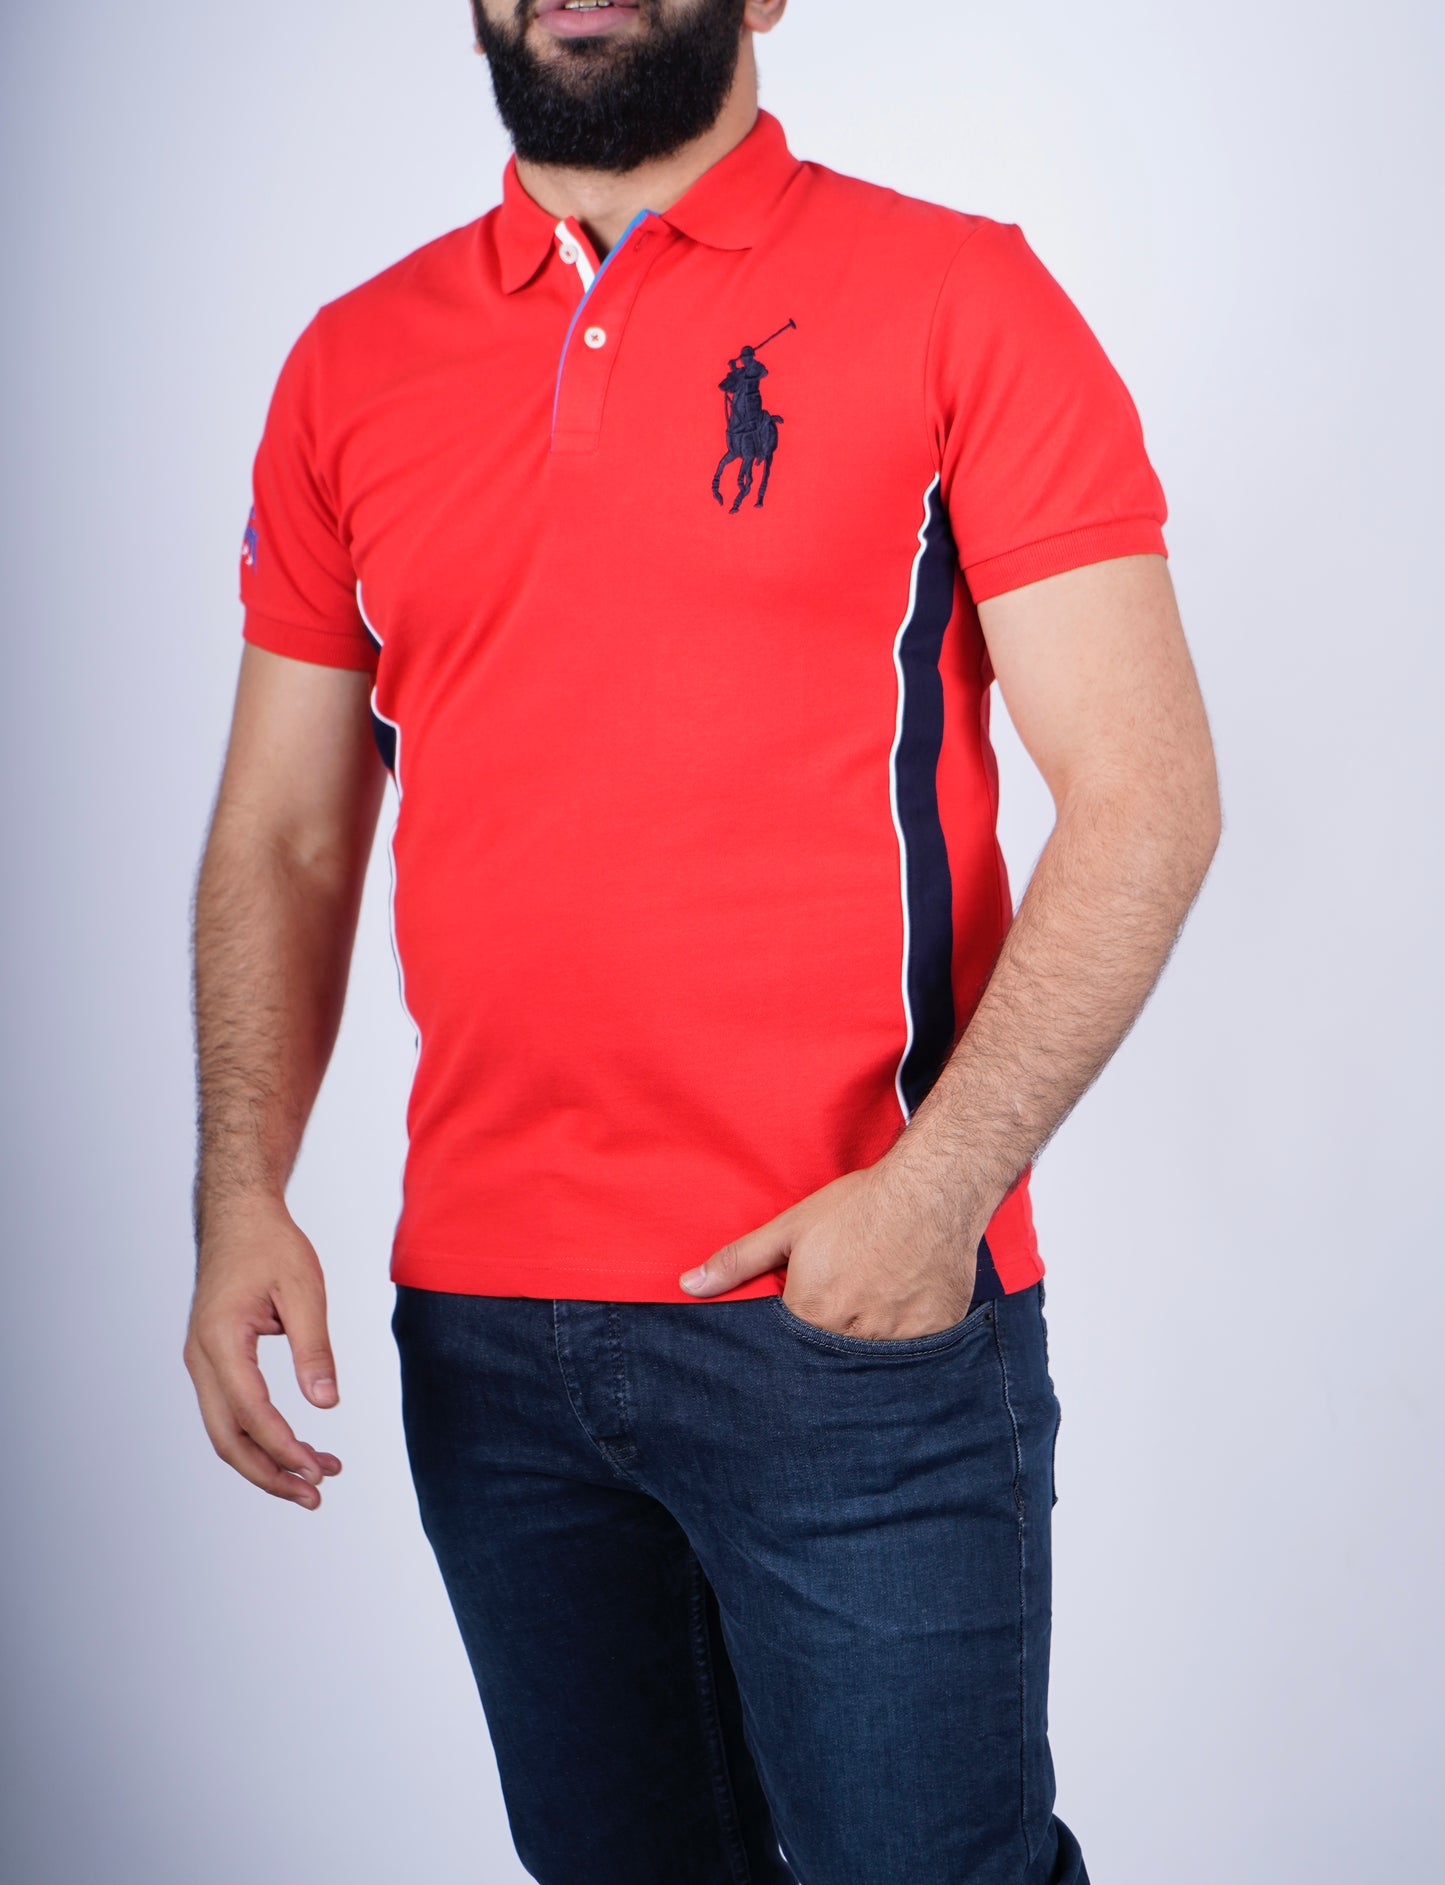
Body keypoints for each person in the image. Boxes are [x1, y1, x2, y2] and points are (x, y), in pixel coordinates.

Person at [184, 2, 1221, 1880]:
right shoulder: (350, 363)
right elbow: (285, 829)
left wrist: (934, 1196)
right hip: (488, 1337)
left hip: (854, 1327)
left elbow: (1146, 795)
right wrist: (238, 1189)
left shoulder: (959, 298)